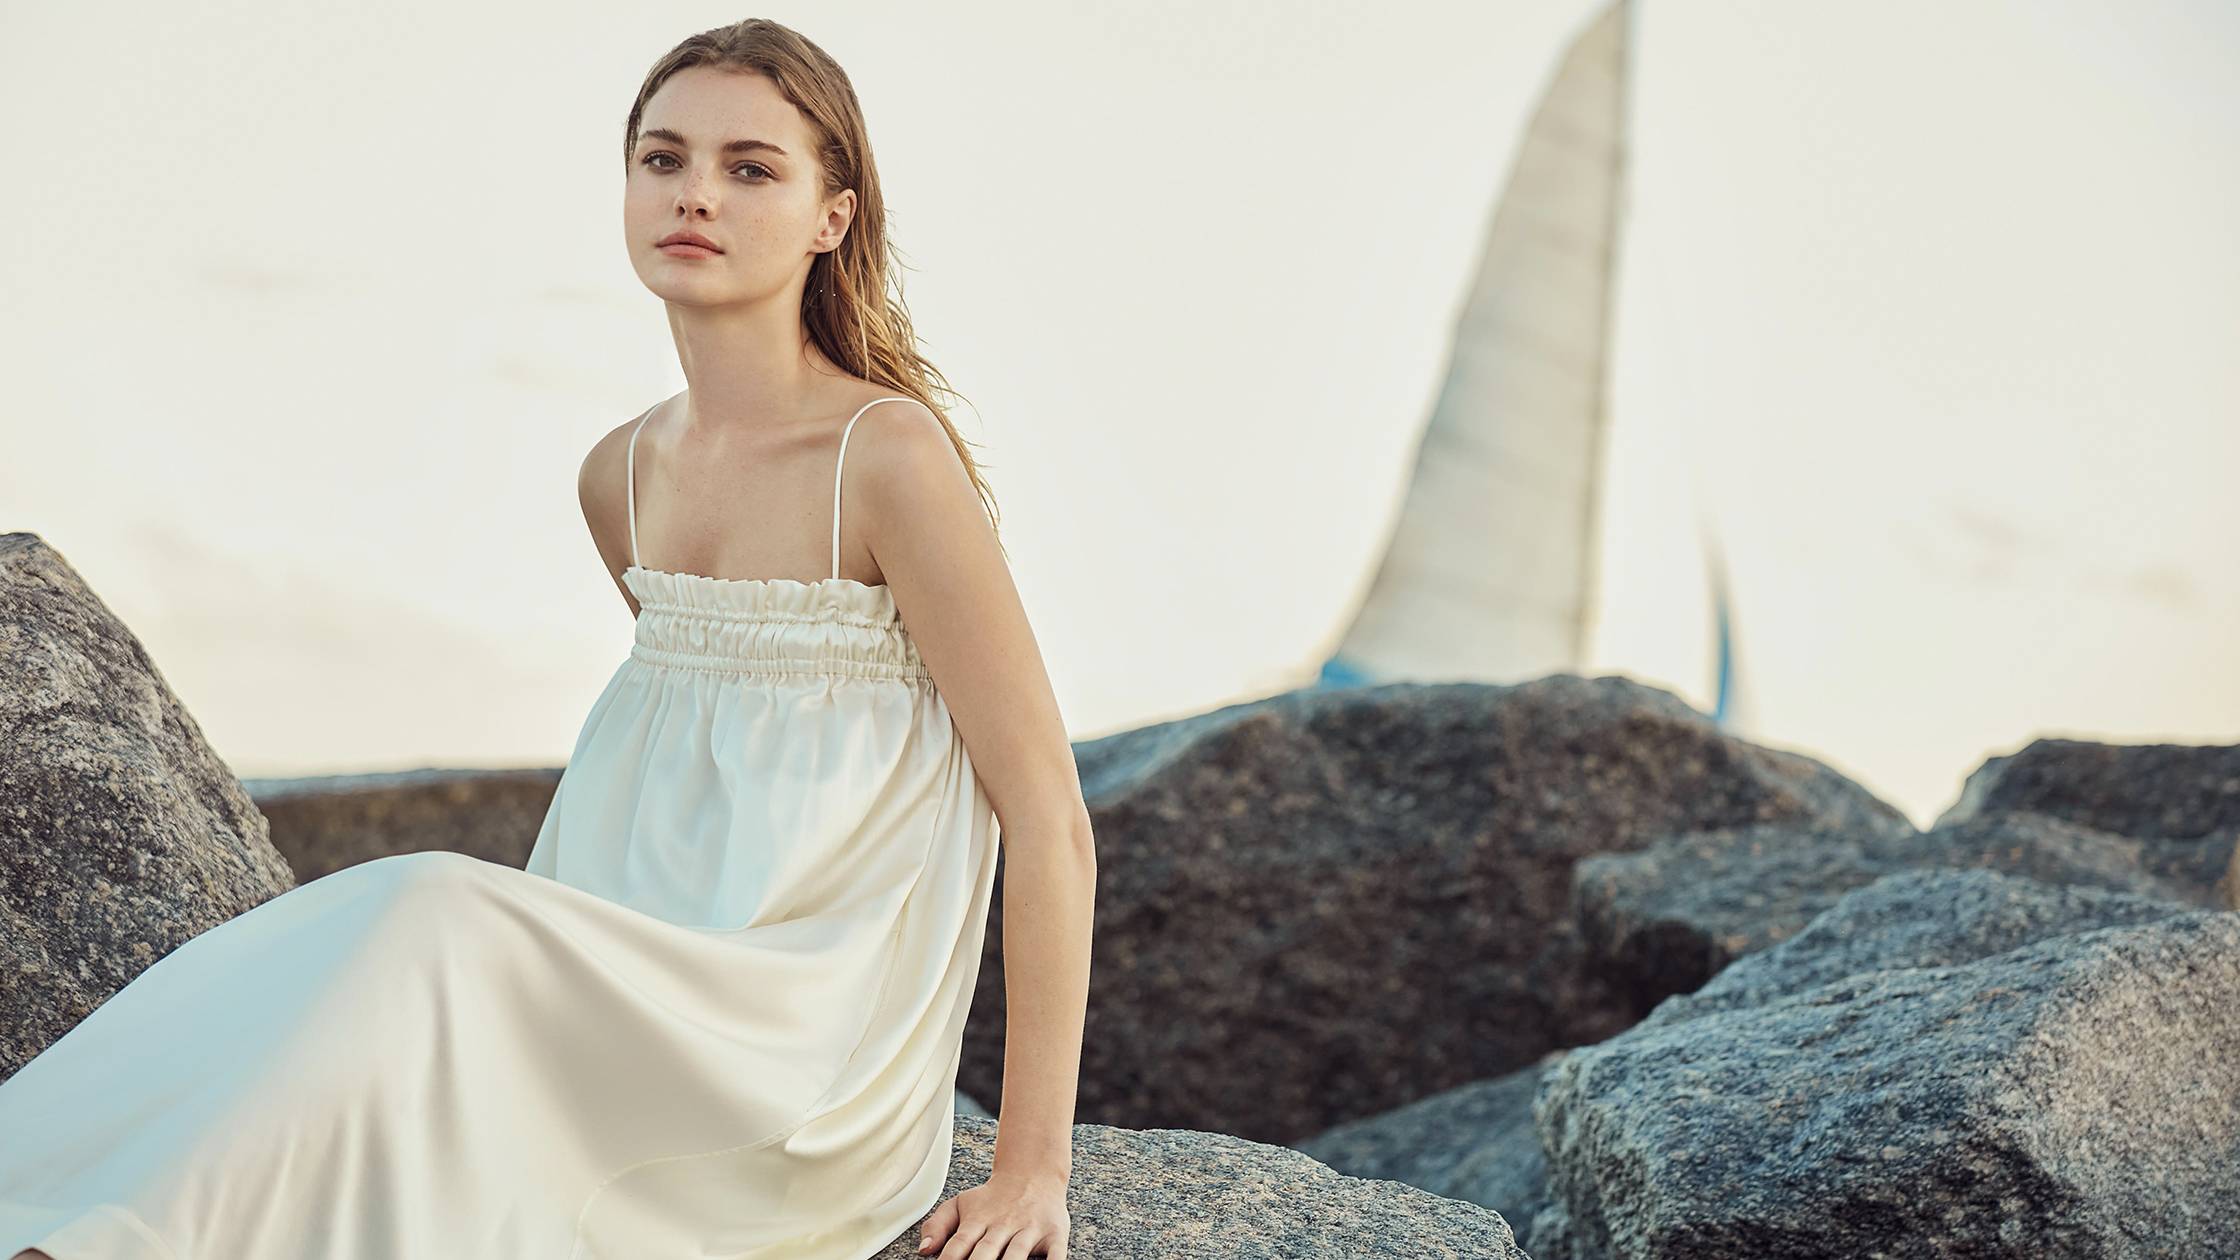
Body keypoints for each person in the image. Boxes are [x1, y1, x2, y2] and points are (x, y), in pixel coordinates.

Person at [0, 18, 1095, 1260]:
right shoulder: (618, 475)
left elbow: (1047, 813)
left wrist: (1031, 1170)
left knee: (423, 908)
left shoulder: (884, 457)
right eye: (661, 158)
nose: (693, 195)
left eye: (750, 168)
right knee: (335, 962)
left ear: (831, 217)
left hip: (794, 1048)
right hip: (613, 995)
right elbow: (690, 772)